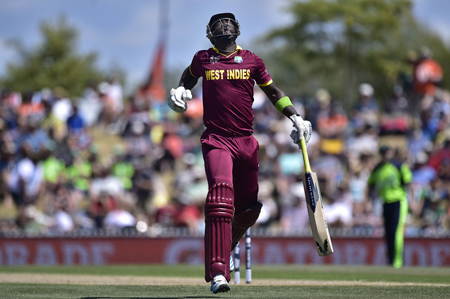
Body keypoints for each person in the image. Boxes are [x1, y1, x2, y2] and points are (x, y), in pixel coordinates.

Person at [168, 13, 311, 294]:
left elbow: (272, 92)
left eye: (229, 21)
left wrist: (295, 116)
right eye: (219, 23)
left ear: (238, 30)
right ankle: (218, 272)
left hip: (246, 142)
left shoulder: (252, 60)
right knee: (220, 195)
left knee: (248, 210)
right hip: (217, 139)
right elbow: (189, 76)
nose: (224, 25)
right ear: (210, 32)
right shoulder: (203, 58)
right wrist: (181, 90)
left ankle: (228, 245)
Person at [367, 145, 412, 268]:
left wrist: (413, 202)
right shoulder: (377, 169)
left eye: (387, 152)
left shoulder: (398, 166)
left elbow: (408, 183)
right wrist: (369, 202)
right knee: (388, 233)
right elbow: (371, 185)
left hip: (399, 201)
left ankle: (397, 262)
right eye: (383, 152)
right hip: (385, 203)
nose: (386, 155)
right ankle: (390, 260)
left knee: (396, 232)